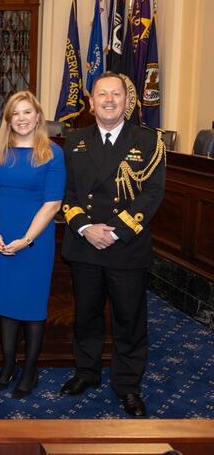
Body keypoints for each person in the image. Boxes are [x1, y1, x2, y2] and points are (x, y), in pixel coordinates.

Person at [60, 72, 166, 418]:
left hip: (126, 246)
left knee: (129, 319)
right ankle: (86, 372)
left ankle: (128, 384)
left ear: (127, 100)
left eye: (115, 94)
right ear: (90, 103)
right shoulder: (73, 140)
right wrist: (87, 227)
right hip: (86, 244)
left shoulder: (150, 141)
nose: (108, 100)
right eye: (101, 94)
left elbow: (152, 195)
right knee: (87, 315)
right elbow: (68, 194)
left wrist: (116, 231)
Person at [0, 91, 65, 399]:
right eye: (15, 113)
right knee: (5, 306)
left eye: (27, 112)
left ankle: (30, 369)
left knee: (31, 308)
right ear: (8, 119)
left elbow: (53, 203)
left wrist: (26, 240)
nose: (21, 118)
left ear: (38, 117)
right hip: (1, 239)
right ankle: (7, 366)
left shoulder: (52, 153)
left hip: (34, 242)